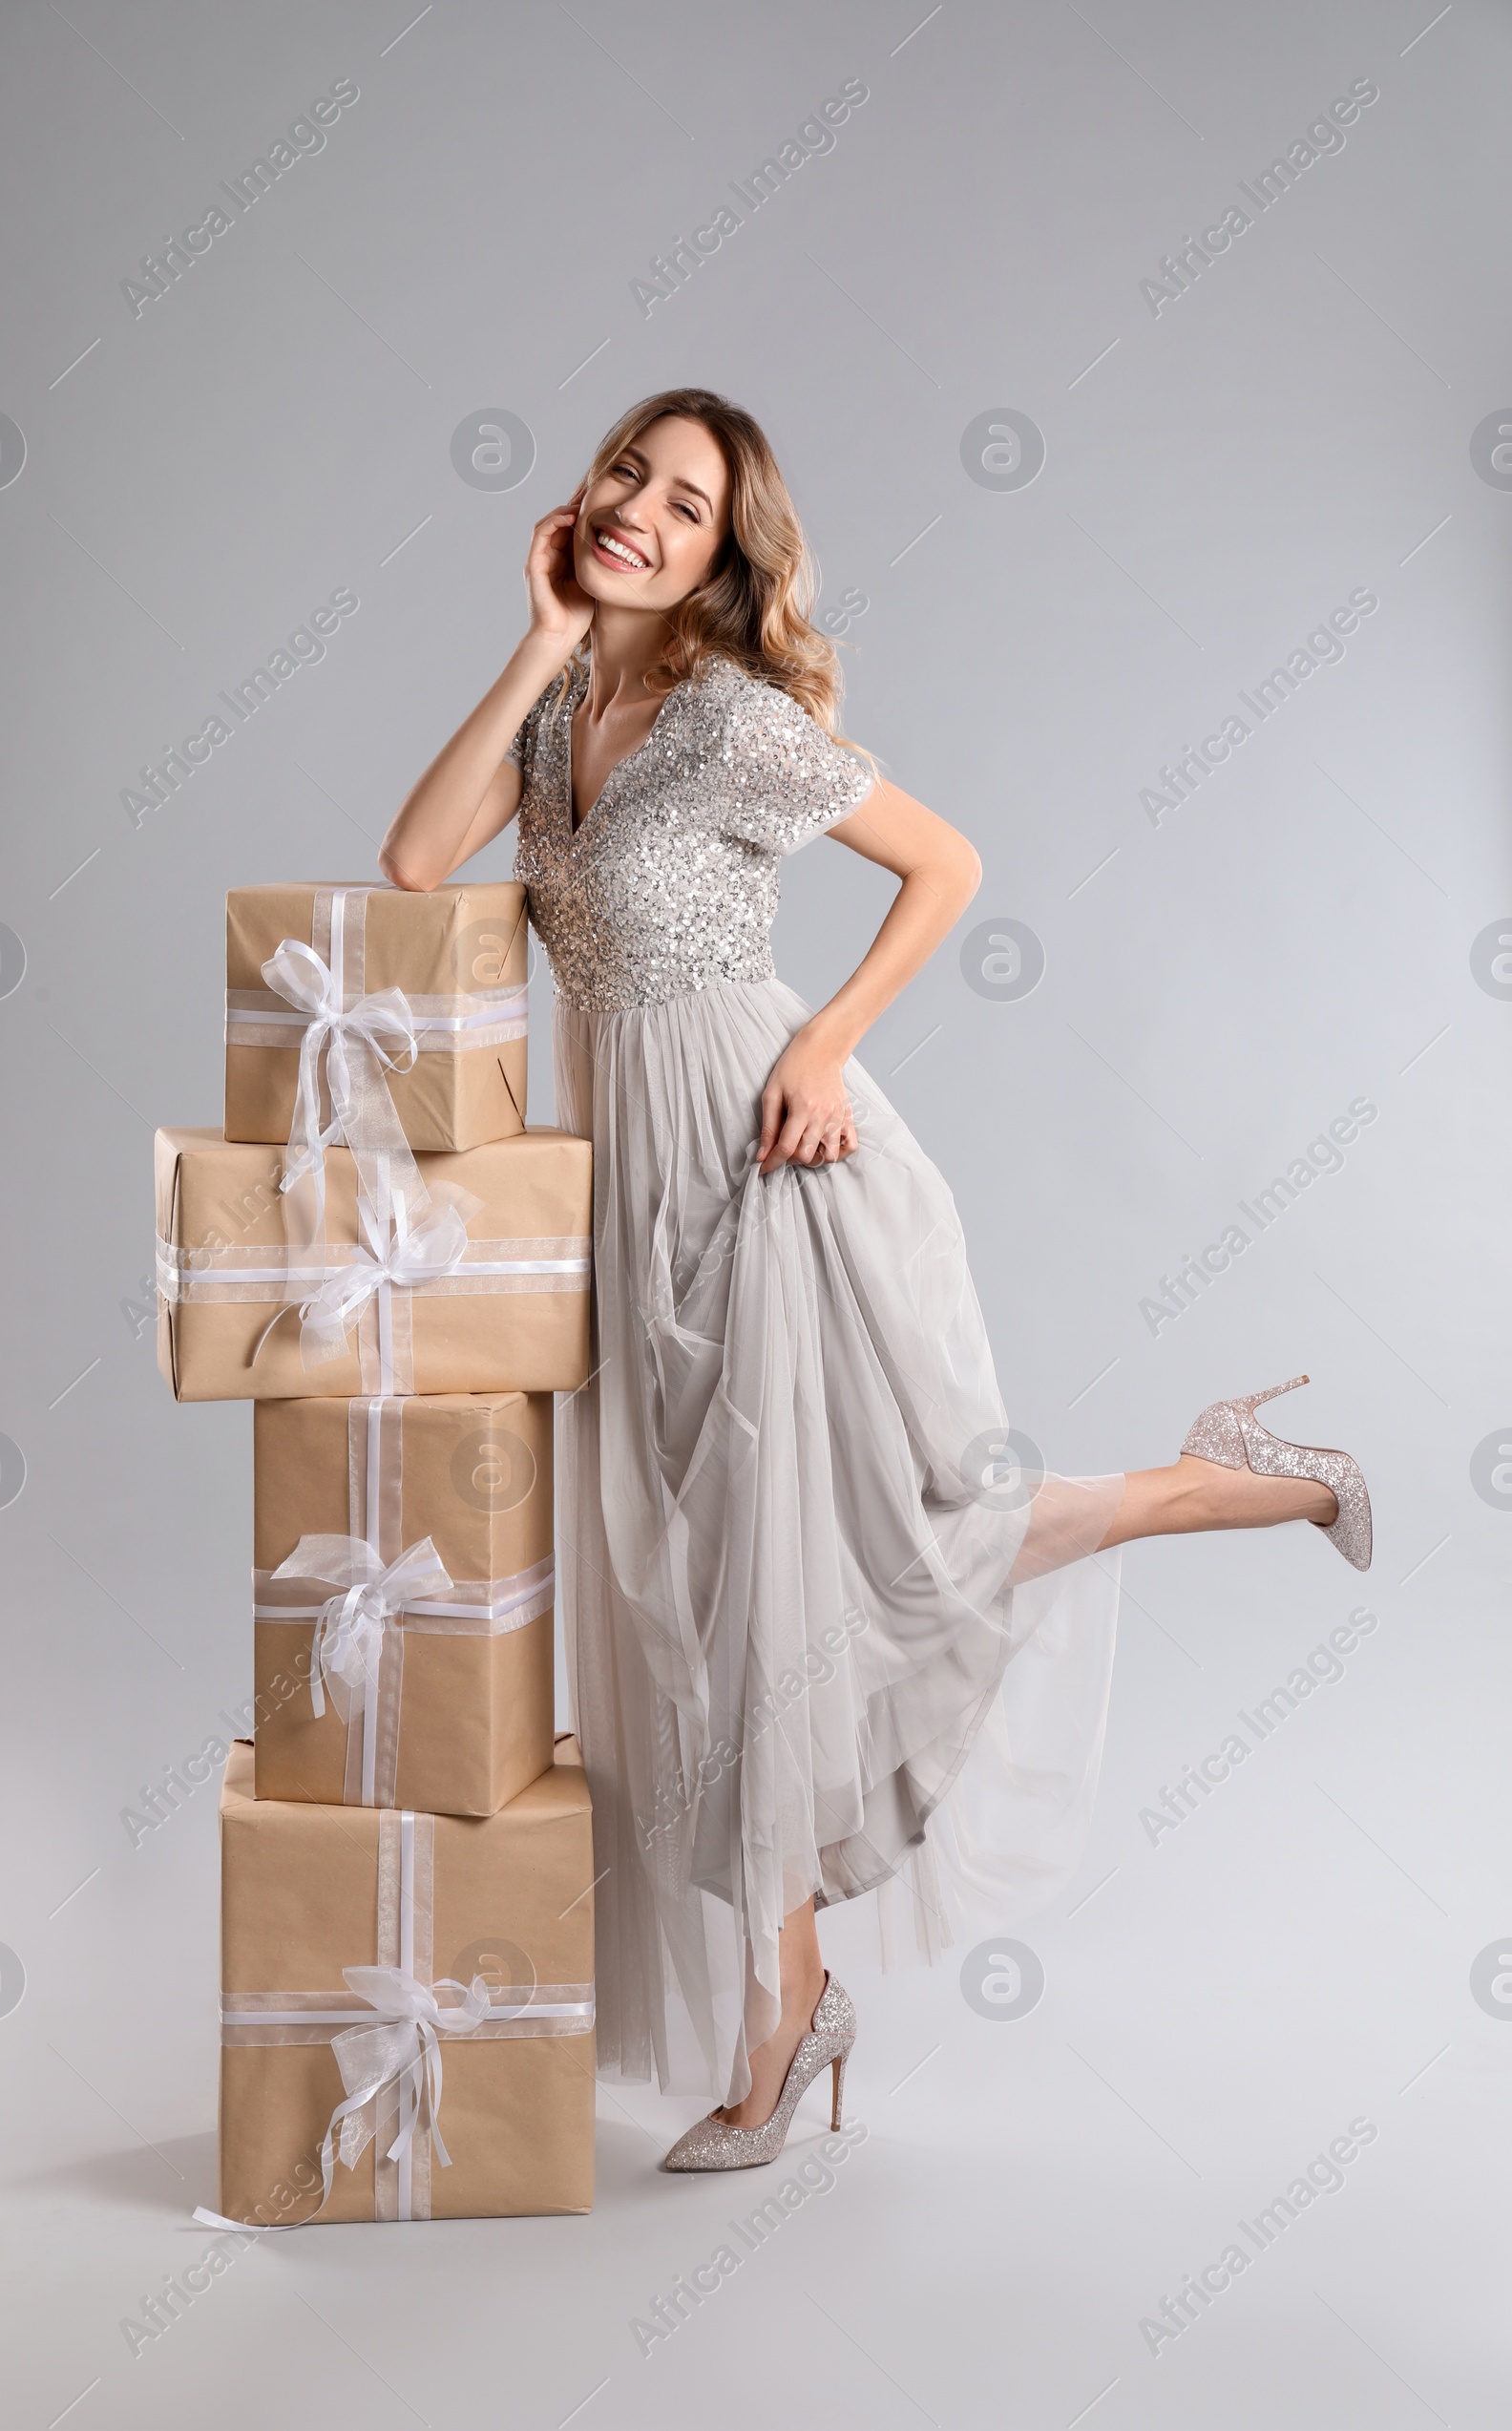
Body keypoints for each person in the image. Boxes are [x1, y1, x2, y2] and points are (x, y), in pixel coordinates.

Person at [379, 387, 1370, 2172]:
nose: (641, 513)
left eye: (685, 505)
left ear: (721, 555)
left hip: (771, 1175)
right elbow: (410, 862)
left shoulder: (735, 722)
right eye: (629, 475)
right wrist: (537, 641)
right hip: (626, 1209)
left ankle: (782, 2025)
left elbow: (949, 864)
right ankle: (808, 1997)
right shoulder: (564, 716)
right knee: (695, 1616)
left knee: (834, 1585)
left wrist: (828, 1043)